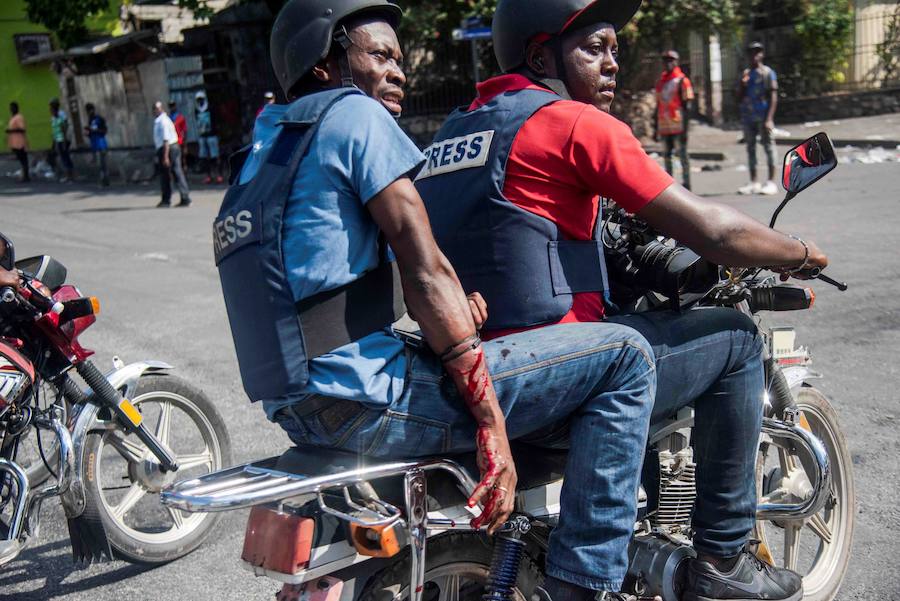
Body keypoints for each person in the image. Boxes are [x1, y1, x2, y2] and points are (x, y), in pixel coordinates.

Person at [219, 1, 659, 587]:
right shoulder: (356, 117)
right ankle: (585, 582)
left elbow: (325, 281)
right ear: (325, 62)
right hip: (370, 401)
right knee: (626, 354)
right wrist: (491, 425)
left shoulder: (267, 144)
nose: (399, 72)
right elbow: (425, 269)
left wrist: (449, 313)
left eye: (399, 59)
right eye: (379, 56)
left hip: (301, 406)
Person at [416, 1, 828, 600]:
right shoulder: (573, 123)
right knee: (734, 340)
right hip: (566, 383)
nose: (613, 63)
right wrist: (800, 250)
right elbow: (711, 230)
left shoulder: (453, 132)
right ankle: (723, 556)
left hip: (484, 380)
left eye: (615, 49)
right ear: (541, 56)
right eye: (594, 48)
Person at [737, 42, 779, 196]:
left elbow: (773, 97)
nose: (754, 55)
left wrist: (769, 118)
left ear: (762, 54)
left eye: (757, 52)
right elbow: (739, 97)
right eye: (751, 52)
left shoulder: (768, 73)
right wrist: (742, 85)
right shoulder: (746, 74)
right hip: (748, 117)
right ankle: (754, 182)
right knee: (751, 149)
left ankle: (771, 182)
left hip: (763, 116)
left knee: (769, 147)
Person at [654, 50, 694, 190]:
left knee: (682, 155)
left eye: (671, 60)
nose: (668, 63)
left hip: (678, 125)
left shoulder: (682, 80)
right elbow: (657, 104)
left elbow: (687, 106)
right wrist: (655, 127)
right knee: (667, 156)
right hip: (664, 125)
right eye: (666, 60)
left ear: (676, 62)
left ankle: (687, 184)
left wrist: (686, 128)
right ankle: (670, 186)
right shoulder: (661, 82)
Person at [152, 101, 191, 208]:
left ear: (161, 109)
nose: (155, 111)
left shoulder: (163, 121)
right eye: (155, 109)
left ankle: (170, 199)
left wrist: (165, 156)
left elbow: (166, 140)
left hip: (168, 148)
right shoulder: (160, 120)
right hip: (170, 148)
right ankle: (181, 197)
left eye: (157, 108)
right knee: (173, 172)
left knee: (169, 174)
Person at [194, 91, 223, 184]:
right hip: (202, 136)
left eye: (201, 99)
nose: (200, 101)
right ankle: (209, 176)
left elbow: (216, 120)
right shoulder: (197, 110)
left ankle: (218, 175)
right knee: (205, 158)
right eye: (198, 100)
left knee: (215, 156)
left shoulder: (210, 108)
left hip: (212, 135)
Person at [49, 98, 74, 182]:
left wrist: (64, 140)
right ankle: (68, 173)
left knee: (64, 156)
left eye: (51, 106)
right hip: (58, 139)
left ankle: (69, 175)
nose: (50, 108)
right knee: (63, 156)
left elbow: (64, 127)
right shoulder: (53, 117)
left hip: (63, 139)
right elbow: (54, 130)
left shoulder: (61, 114)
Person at [84, 103, 110, 186]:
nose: (89, 113)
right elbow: (90, 134)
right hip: (94, 145)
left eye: (89, 110)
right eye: (87, 111)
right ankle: (103, 180)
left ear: (92, 110)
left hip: (101, 144)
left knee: (102, 164)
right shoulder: (90, 121)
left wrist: (93, 130)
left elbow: (104, 131)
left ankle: (105, 181)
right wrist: (88, 132)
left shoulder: (99, 119)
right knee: (99, 165)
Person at [6, 102, 29, 182]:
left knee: (23, 159)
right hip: (15, 142)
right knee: (21, 159)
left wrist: (11, 131)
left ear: (16, 108)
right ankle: (24, 175)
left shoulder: (19, 117)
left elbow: (22, 129)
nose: (11, 109)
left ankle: (25, 176)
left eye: (12, 108)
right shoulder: (13, 117)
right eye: (10, 108)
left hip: (20, 142)